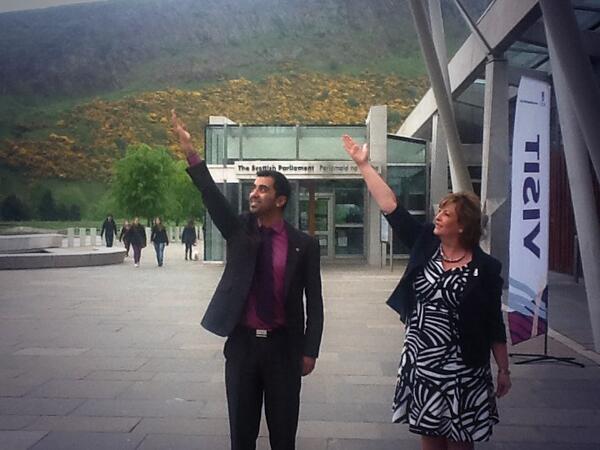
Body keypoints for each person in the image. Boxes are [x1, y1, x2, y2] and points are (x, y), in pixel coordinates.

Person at [341, 135, 511, 450]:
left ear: (462, 226)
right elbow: (391, 206)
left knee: (461, 442)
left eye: (446, 214)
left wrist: (503, 367)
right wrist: (364, 165)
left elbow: (493, 322)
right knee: (429, 438)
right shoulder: (426, 245)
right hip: (423, 362)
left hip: (464, 368)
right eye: (440, 211)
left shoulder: (486, 268)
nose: (438, 216)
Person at [172, 110, 324, 450]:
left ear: (280, 200)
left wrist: (310, 350)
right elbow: (212, 196)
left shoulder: (304, 244)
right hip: (242, 347)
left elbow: (314, 303)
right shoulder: (238, 229)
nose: (254, 193)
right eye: (253, 188)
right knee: (241, 437)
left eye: (263, 189)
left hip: (284, 349)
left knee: (283, 437)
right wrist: (191, 152)